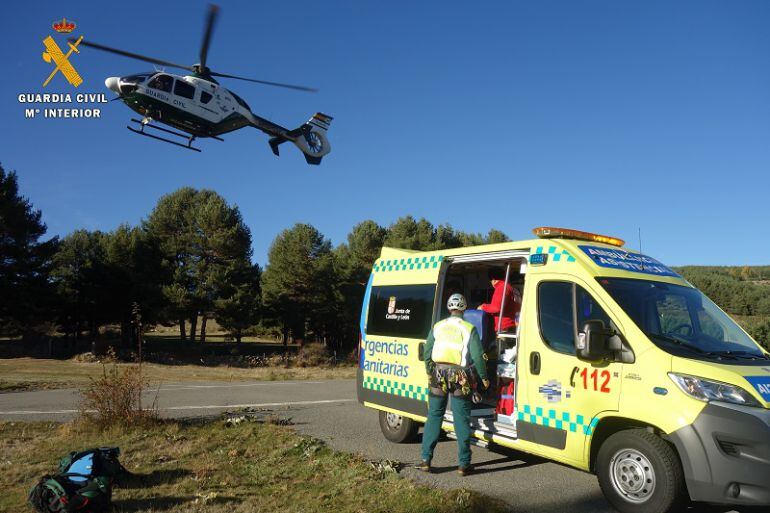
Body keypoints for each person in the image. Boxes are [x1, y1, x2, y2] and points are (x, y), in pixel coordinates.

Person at [417, 293, 489, 476]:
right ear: (464, 309)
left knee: (434, 415)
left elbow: (427, 351)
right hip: (460, 376)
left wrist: (429, 370)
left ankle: (426, 460)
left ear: (449, 308)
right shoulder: (469, 328)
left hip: (438, 374)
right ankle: (463, 464)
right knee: (461, 419)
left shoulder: (438, 326)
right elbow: (479, 356)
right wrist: (484, 378)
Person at [477, 268, 521, 332]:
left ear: (493, 279)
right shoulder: (512, 288)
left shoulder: (501, 287)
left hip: (504, 327)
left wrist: (482, 307)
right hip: (512, 325)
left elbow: (496, 307)